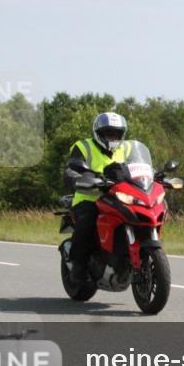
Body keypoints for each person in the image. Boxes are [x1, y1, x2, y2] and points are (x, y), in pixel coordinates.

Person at [63, 112, 131, 283]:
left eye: (116, 133)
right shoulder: (83, 146)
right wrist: (79, 178)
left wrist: (153, 175)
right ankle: (78, 267)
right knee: (87, 224)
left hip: (119, 198)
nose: (113, 137)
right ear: (99, 133)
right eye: (108, 133)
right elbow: (71, 168)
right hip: (89, 198)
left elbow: (139, 166)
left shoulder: (127, 148)